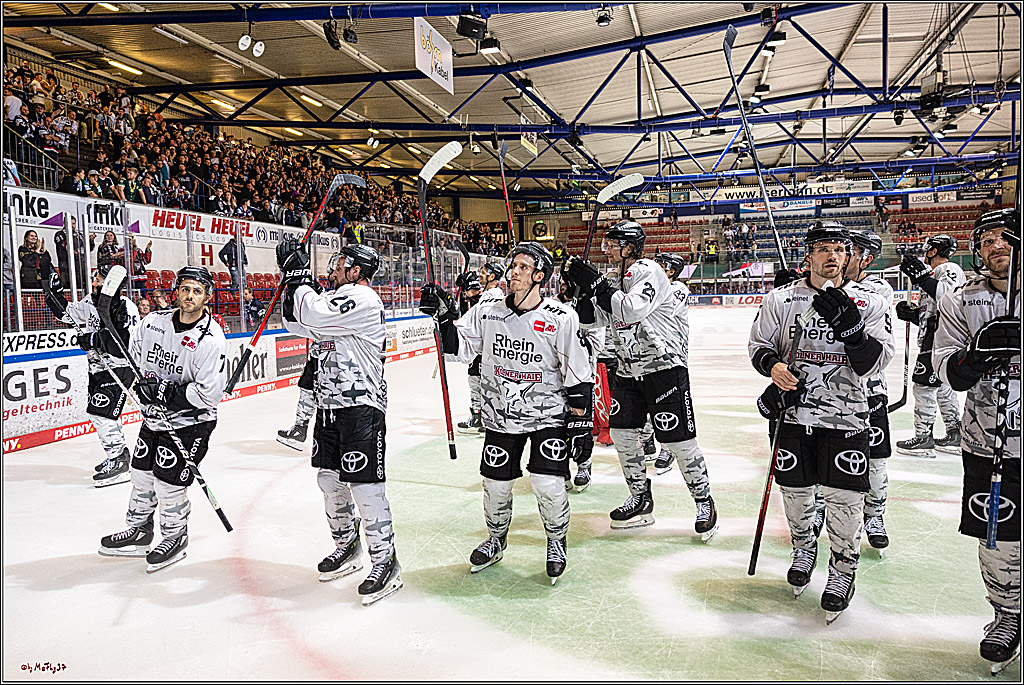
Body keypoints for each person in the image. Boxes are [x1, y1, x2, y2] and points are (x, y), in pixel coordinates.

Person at [420, 242, 592, 583]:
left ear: (540, 277)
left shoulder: (560, 317)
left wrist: (580, 425)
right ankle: (496, 540)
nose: (513, 272)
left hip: (547, 417)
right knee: (496, 485)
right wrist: (442, 317)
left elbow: (577, 370)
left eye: (523, 268)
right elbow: (458, 347)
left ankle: (557, 541)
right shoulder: (488, 311)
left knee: (547, 484)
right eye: (512, 266)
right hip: (501, 417)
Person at [748, 221, 894, 622]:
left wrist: (854, 333)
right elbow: (759, 346)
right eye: (823, 248)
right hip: (793, 416)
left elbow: (875, 362)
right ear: (808, 255)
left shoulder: (870, 302)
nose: (832, 255)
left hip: (847, 417)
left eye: (839, 249)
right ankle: (803, 548)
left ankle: (843, 570)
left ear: (849, 256)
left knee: (845, 500)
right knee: (795, 492)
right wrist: (774, 366)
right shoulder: (781, 299)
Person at [563, 222, 718, 541]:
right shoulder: (617, 280)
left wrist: (599, 284)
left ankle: (704, 501)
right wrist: (580, 292)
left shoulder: (650, 271)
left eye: (612, 244)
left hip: (663, 369)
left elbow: (632, 310)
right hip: (627, 370)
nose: (606, 250)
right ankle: (640, 498)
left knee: (677, 441)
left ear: (630, 247)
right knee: (622, 436)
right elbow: (594, 321)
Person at [277, 239, 402, 605]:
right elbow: (296, 322)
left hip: (361, 406)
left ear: (357, 270)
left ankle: (385, 561)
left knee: (364, 487)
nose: (333, 268)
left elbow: (312, 314)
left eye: (340, 263)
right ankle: (346, 546)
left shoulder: (362, 299)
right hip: (330, 406)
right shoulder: (334, 303)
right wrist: (291, 279)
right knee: (329, 479)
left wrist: (300, 278)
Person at [933, 208, 1020, 673]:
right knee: (997, 534)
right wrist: (976, 358)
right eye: (986, 240)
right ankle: (1008, 614)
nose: (996, 246)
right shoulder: (961, 299)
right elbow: (946, 367)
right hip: (988, 440)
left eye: (1005, 237)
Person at [98, 266, 227, 573]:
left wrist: (168, 394)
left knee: (168, 483)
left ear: (207, 296)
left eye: (197, 291)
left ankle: (175, 536)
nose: (190, 296)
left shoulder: (210, 339)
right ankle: (140, 530)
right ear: (176, 291)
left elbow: (210, 393)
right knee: (141, 474)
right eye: (185, 289)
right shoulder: (154, 322)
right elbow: (133, 355)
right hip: (154, 418)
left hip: (191, 422)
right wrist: (104, 344)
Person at [43, 262, 140, 485]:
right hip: (97, 367)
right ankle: (117, 454)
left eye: (99, 278)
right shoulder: (89, 301)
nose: (95, 280)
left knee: (103, 413)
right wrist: (54, 293)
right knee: (97, 413)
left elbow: (126, 344)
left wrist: (96, 339)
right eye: (96, 276)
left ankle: (119, 459)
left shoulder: (127, 307)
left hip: (118, 367)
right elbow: (66, 315)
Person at [843, 230, 895, 554]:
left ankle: (874, 516)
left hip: (870, 389)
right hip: (829, 389)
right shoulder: (823, 281)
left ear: (867, 259)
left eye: (852, 250)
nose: (844, 254)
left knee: (875, 458)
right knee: (827, 455)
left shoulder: (878, 288)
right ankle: (819, 514)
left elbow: (857, 307)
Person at [895, 234, 966, 456]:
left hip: (938, 341)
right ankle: (954, 434)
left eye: (928, 249)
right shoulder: (936, 274)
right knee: (943, 388)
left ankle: (923, 437)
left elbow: (949, 298)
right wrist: (914, 315)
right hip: (935, 338)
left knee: (924, 389)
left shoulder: (949, 269)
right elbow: (936, 313)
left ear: (934, 251)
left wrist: (923, 277)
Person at [651, 252, 692, 475]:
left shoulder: (678, 289)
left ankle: (667, 449)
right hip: (650, 354)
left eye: (661, 265)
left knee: (669, 404)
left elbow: (662, 310)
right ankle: (648, 442)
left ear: (671, 271)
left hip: (672, 355)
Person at [455, 261, 505, 435]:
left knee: (485, 383)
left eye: (484, 272)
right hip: (482, 349)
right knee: (475, 381)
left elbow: (477, 310)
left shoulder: (492, 297)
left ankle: (488, 417)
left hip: (487, 350)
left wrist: (468, 291)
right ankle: (479, 416)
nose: (480, 275)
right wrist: (464, 294)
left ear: (492, 276)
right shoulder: (487, 296)